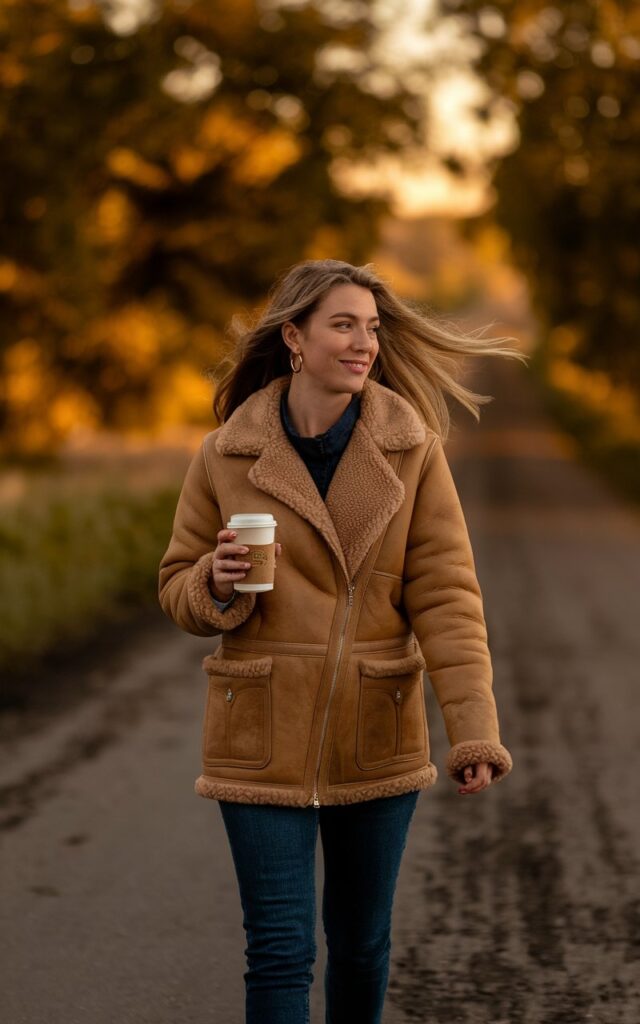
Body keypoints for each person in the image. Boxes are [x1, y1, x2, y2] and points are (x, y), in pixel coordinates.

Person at [158, 259, 526, 1024]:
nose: (364, 342)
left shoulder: (413, 449)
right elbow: (175, 585)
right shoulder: (224, 453)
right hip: (257, 734)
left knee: (360, 944)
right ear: (294, 336)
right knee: (281, 949)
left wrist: (475, 731)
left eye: (372, 327)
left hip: (376, 734)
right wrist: (214, 583)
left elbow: (448, 597)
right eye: (343, 324)